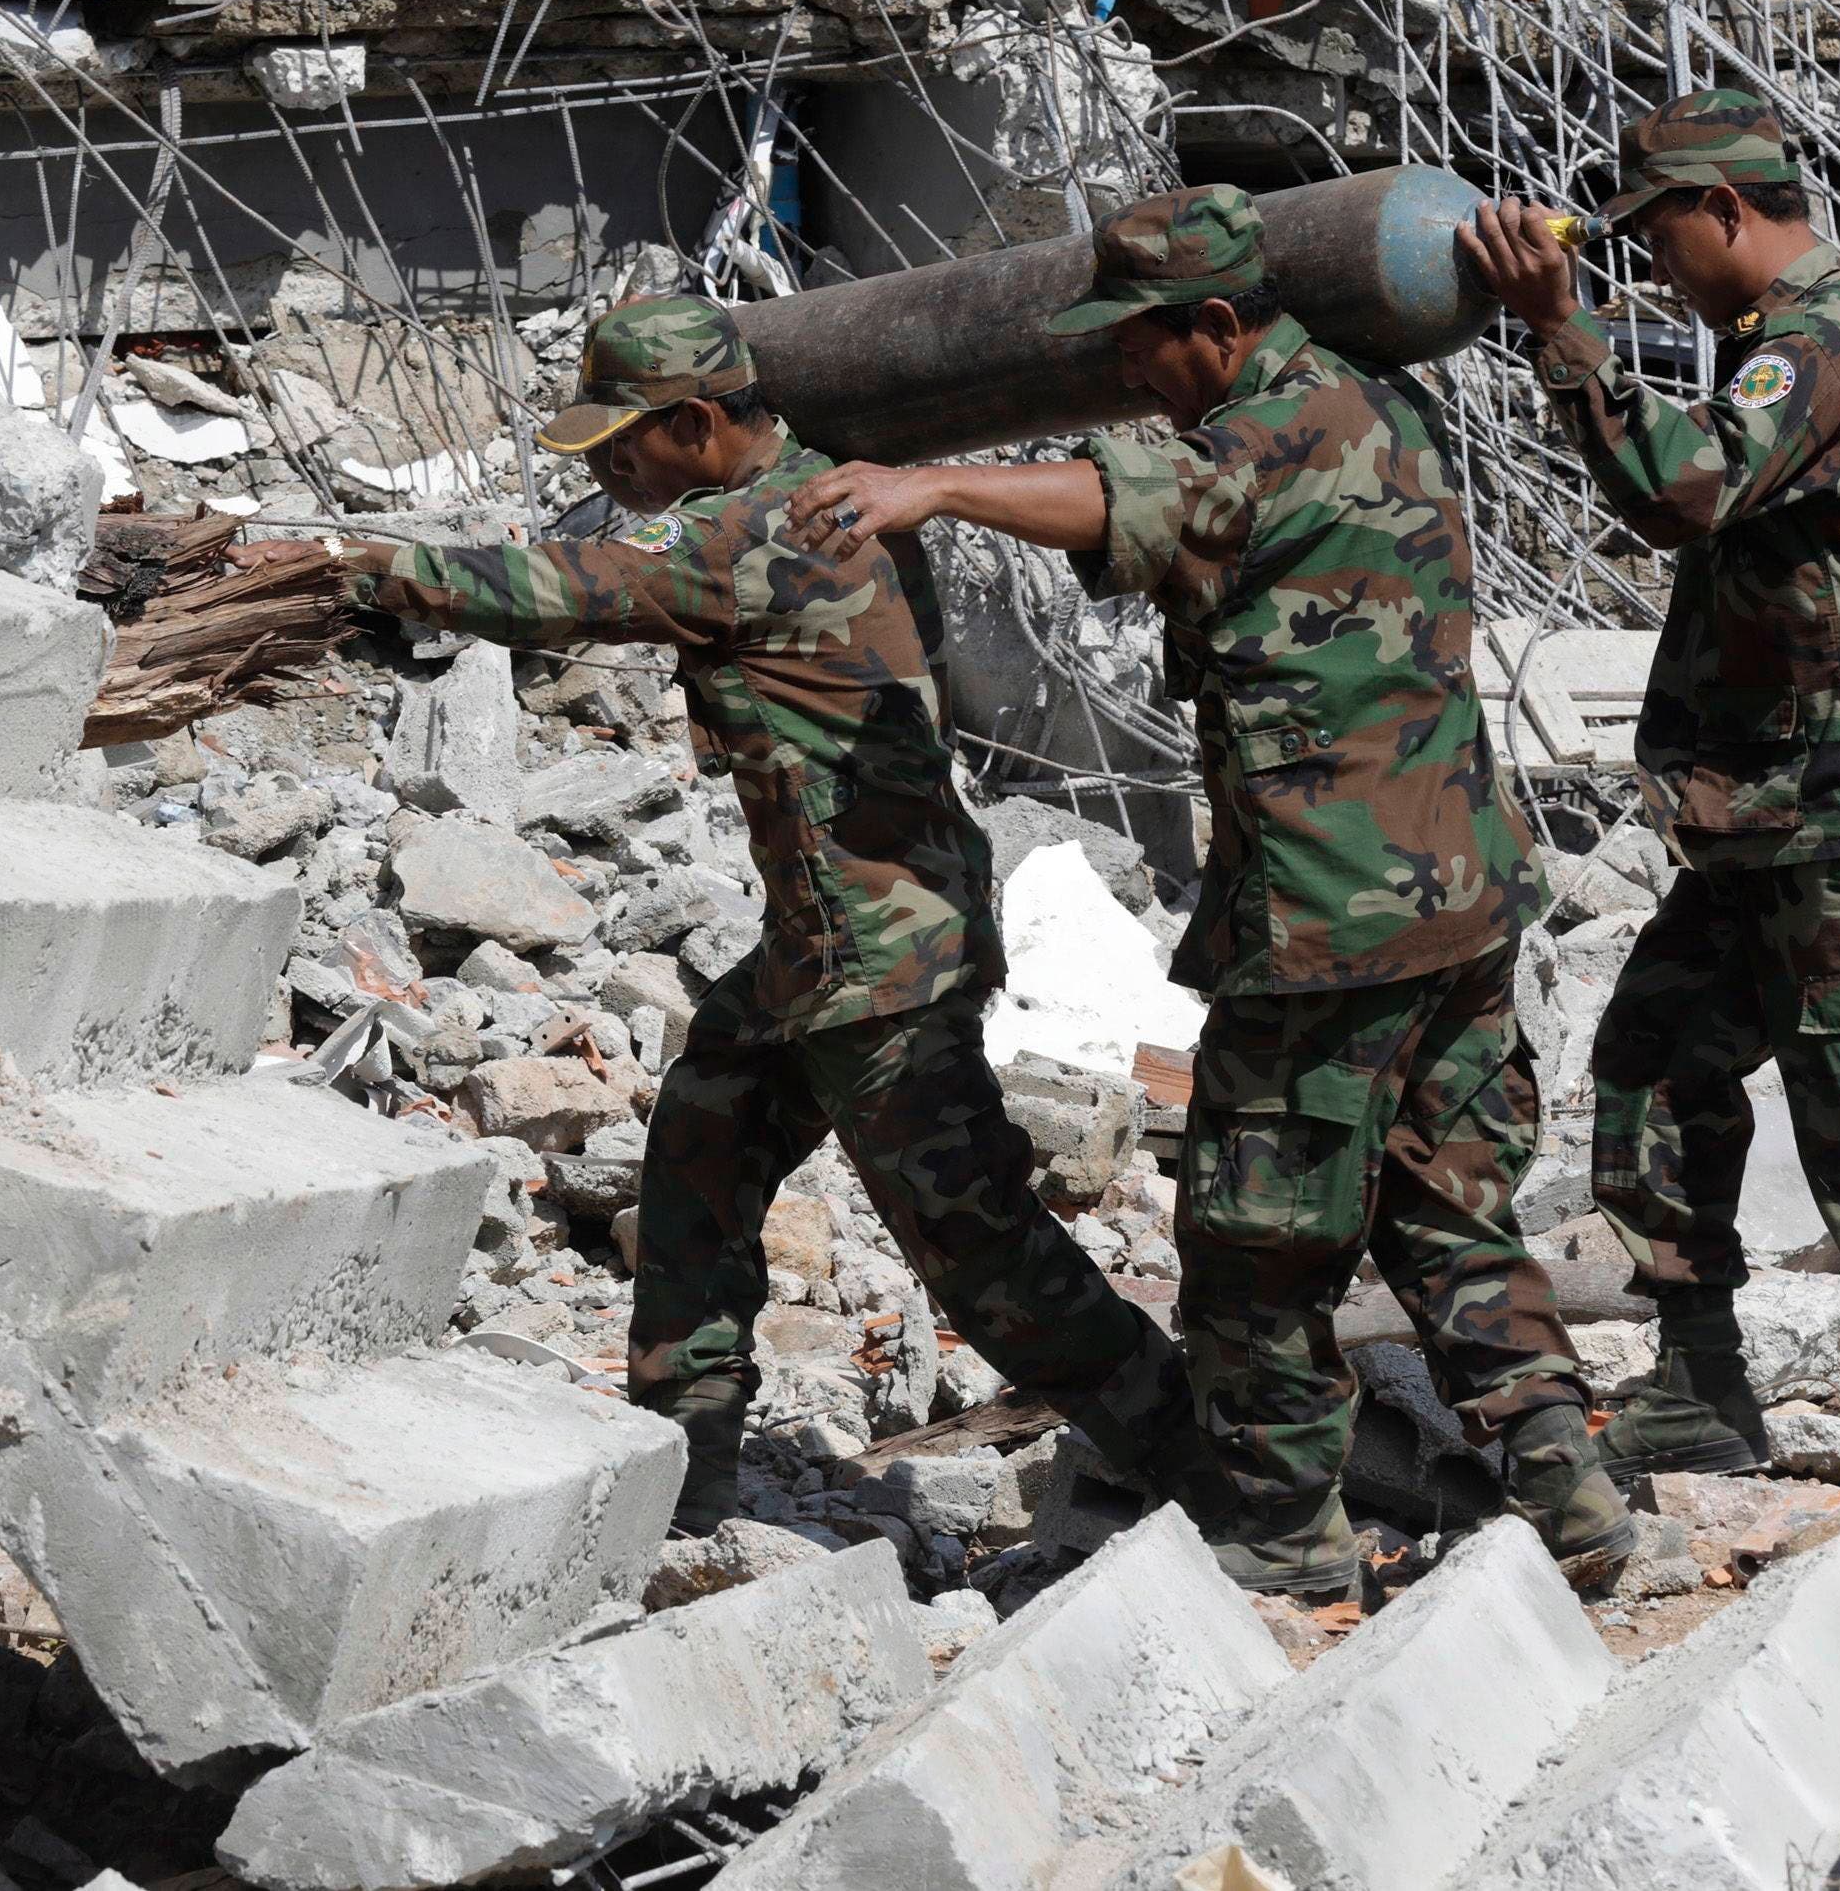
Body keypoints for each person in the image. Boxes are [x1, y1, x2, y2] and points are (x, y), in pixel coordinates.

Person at [257, 295, 1215, 1535]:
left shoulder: (755, 531)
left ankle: (1208, 1462)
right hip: (852, 925)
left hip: (874, 951)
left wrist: (360, 569)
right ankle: (681, 1454)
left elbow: (563, 589)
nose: (608, 471)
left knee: (977, 1249)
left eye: (622, 446)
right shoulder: (818, 485)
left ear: (699, 423)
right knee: (705, 1130)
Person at [796, 185, 1634, 1594]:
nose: (1126, 370)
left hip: (1332, 924)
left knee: (1258, 1247)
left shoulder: (1258, 442)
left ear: (1221, 324)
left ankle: (1284, 1536)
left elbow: (1123, 499)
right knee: (1449, 1217)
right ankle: (1578, 1501)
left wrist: (928, 485)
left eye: (1144, 342)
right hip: (1464, 896)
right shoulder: (1380, 405)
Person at [1460, 88, 1840, 1499]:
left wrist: (1562, 330)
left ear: (1725, 210)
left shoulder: (1822, 343)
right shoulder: (1788, 349)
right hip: (1782, 809)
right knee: (1657, 1062)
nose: (1649, 264)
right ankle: (1701, 1380)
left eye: (1658, 234)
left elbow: (1684, 486)